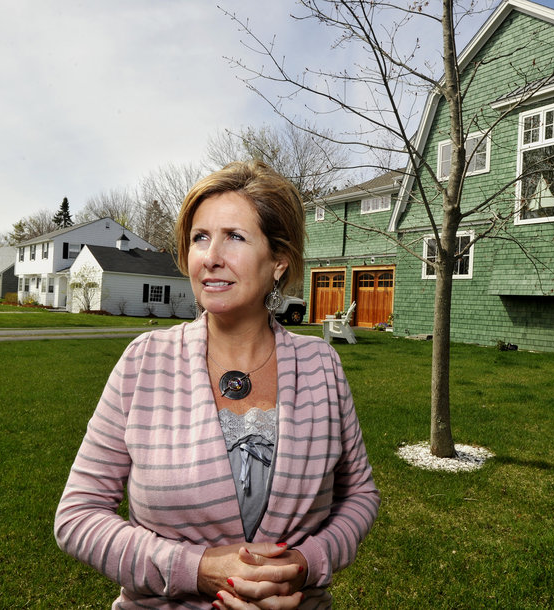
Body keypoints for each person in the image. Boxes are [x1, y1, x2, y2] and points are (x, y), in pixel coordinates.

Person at [54, 160, 380, 609]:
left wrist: (305, 563)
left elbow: (360, 496)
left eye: (236, 237)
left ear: (279, 262)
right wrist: (197, 569)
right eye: (200, 238)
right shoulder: (144, 363)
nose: (210, 257)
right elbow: (77, 516)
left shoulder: (322, 365)